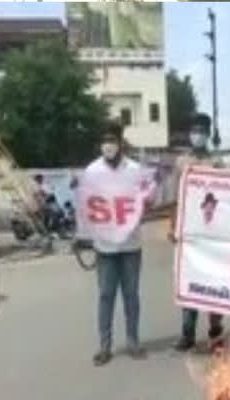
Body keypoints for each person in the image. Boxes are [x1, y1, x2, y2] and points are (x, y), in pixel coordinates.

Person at [85, 122, 149, 366]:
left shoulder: (135, 169)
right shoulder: (92, 171)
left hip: (131, 244)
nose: (108, 145)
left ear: (120, 142)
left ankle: (133, 342)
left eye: (112, 140)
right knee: (105, 295)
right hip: (105, 247)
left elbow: (145, 200)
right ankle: (105, 346)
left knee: (131, 295)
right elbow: (86, 206)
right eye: (104, 140)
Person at [172, 113, 225, 352]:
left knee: (214, 284)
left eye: (202, 130)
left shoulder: (217, 163)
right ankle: (187, 333)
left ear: (208, 133)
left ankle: (215, 332)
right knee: (190, 281)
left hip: (212, 232)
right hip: (189, 231)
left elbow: (228, 197)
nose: (198, 135)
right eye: (194, 130)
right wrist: (173, 225)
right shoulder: (181, 162)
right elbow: (175, 197)